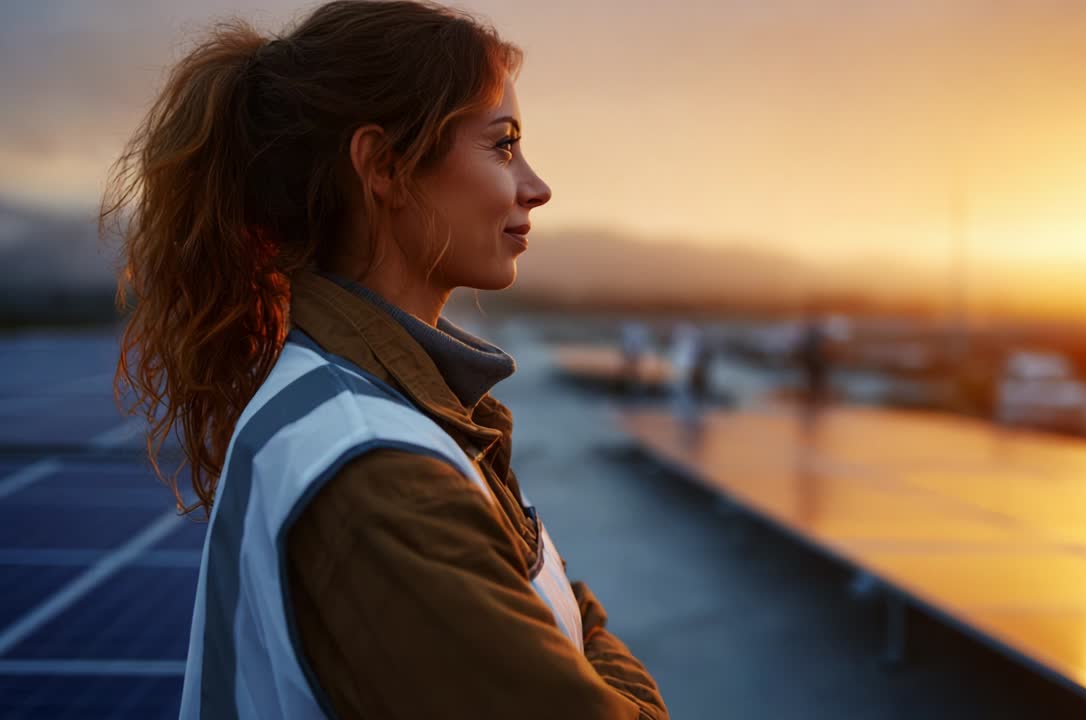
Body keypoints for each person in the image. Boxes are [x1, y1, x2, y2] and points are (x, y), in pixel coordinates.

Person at [100, 2, 668, 718]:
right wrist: (590, 636)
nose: (536, 186)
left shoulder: (377, 405)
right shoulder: (375, 470)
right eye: (502, 146)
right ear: (386, 168)